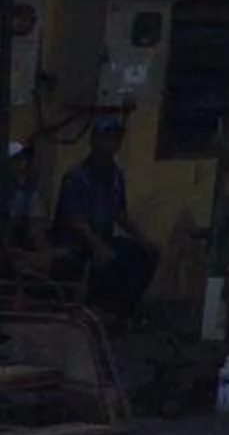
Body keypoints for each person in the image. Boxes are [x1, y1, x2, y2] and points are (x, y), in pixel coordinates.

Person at [50, 116, 156, 322]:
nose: (112, 143)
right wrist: (97, 245)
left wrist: (144, 239)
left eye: (116, 138)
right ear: (95, 140)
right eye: (107, 137)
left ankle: (123, 312)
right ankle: (96, 310)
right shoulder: (76, 177)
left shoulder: (116, 176)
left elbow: (120, 213)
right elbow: (74, 219)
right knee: (106, 259)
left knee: (143, 254)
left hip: (102, 238)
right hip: (75, 242)